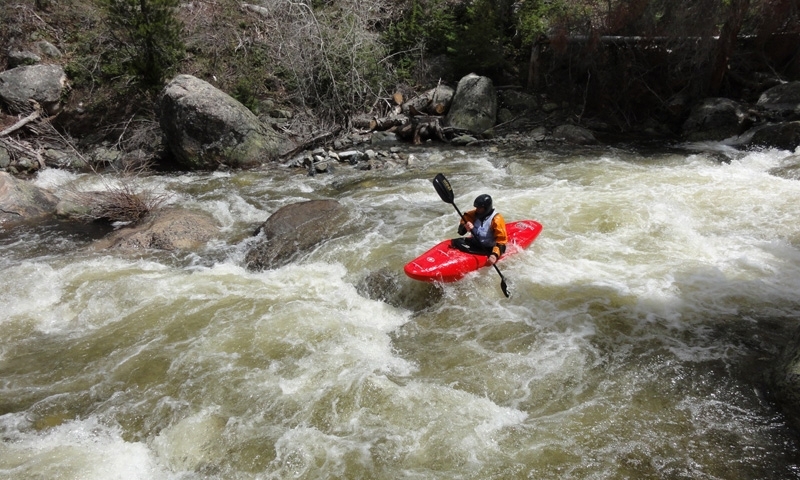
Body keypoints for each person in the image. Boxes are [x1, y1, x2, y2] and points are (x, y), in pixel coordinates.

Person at [451, 194, 508, 265]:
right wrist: (465, 226)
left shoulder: (496, 219)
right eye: (477, 207)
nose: (477, 210)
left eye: (480, 208)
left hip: (488, 248)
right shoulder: (473, 214)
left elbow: (501, 241)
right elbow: (461, 232)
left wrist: (495, 255)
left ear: (486, 208)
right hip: (474, 243)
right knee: (455, 242)